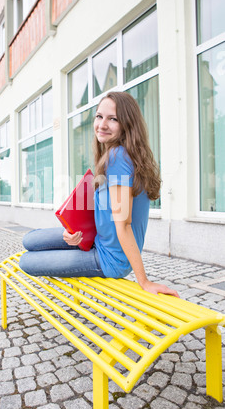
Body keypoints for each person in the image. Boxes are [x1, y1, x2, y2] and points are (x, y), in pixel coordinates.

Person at [19, 91, 179, 298]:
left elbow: (124, 224)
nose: (102, 124)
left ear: (127, 125)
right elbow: (105, 214)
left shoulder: (118, 157)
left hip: (110, 259)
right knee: (30, 240)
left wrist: (144, 281)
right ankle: (76, 243)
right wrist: (77, 234)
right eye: (99, 116)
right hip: (96, 240)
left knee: (26, 261)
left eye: (113, 119)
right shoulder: (113, 155)